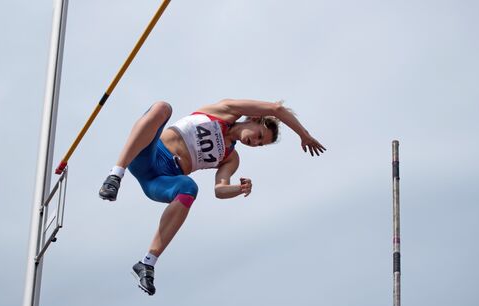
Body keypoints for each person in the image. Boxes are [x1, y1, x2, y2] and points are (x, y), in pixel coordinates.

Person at [99, 99, 326, 295]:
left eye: (259, 144)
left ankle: (147, 264)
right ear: (254, 119)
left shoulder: (231, 158)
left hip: (160, 182)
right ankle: (115, 175)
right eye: (258, 136)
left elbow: (219, 190)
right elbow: (276, 108)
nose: (255, 143)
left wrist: (238, 189)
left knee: (189, 187)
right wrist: (304, 135)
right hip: (148, 155)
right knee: (162, 107)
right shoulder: (224, 110)